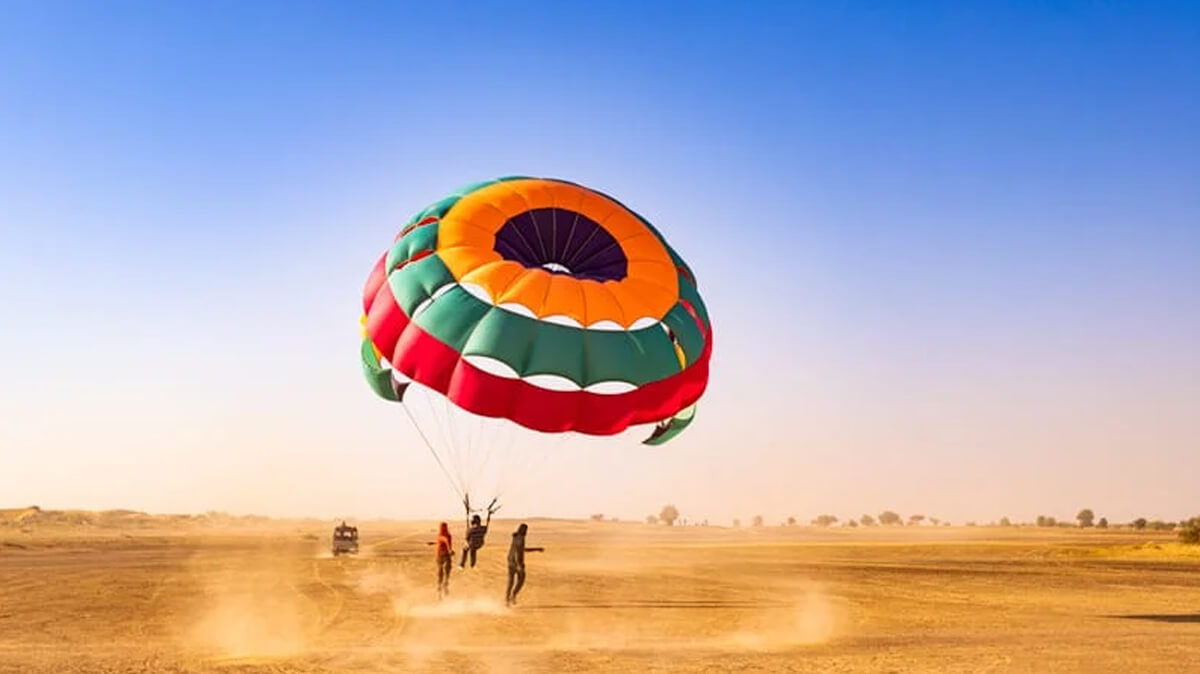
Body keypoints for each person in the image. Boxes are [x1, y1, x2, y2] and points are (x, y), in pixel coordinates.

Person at [504, 523, 543, 607]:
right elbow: (517, 552)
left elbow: (522, 549)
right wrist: (518, 564)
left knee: (511, 581)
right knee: (521, 579)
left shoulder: (516, 537)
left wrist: (536, 549)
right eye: (526, 530)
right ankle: (513, 595)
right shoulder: (521, 538)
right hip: (516, 562)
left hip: (510, 560)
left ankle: (507, 599)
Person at [460, 499, 499, 568]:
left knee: (465, 549)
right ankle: (472, 564)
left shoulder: (471, 530)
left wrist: (467, 517)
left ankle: (462, 564)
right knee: (473, 550)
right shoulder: (483, 528)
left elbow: (466, 538)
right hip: (480, 544)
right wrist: (489, 515)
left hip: (472, 544)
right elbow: (487, 522)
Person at [435, 521, 453, 599]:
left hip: (443, 555)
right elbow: (444, 540)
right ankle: (442, 591)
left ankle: (441, 591)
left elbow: (445, 540)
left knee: (442, 573)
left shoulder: (442, 535)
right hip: (443, 556)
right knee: (444, 573)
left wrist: (449, 550)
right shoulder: (447, 535)